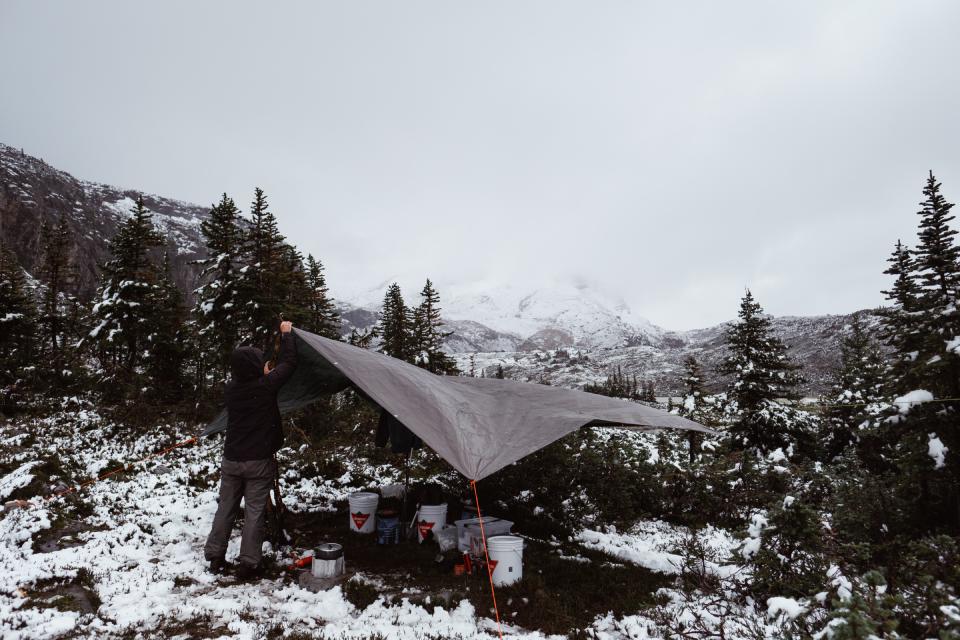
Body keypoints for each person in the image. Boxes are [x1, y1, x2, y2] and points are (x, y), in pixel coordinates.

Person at [204, 320, 297, 579]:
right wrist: (286, 334)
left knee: (226, 509)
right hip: (257, 462)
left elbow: (255, 382)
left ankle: (215, 558)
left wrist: (263, 375)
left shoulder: (232, 390)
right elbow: (289, 365)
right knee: (254, 512)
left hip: (231, 460)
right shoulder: (265, 387)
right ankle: (249, 563)